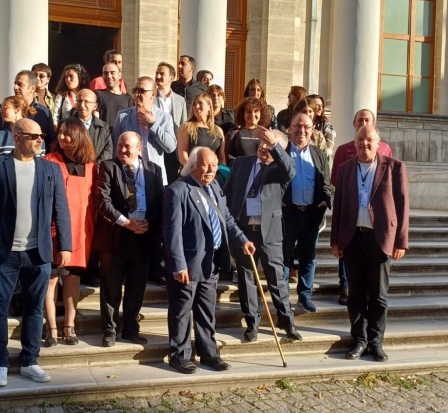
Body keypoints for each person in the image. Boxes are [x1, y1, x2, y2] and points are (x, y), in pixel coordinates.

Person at [0, 118, 72, 387]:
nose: (40, 140)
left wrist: (64, 246)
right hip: (3, 253)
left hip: (38, 252)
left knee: (34, 309)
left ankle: (30, 360)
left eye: (41, 136)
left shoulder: (50, 169)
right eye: (33, 136)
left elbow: (61, 211)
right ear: (16, 137)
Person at [163, 147, 255, 374]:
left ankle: (209, 353)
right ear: (193, 165)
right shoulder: (178, 190)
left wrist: (242, 240)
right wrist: (178, 264)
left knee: (206, 310)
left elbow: (226, 218)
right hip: (188, 262)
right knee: (182, 310)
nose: (211, 170)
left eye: (214, 165)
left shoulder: (215, 187)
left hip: (211, 261)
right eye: (206, 165)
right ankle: (180, 355)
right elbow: (171, 232)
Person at [331, 125, 409, 362]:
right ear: (354, 143)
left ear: (378, 142)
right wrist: (336, 240)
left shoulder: (394, 167)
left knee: (378, 295)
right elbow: (340, 206)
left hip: (380, 239)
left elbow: (403, 204)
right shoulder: (345, 169)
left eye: (369, 140)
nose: (364, 144)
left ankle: (376, 341)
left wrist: (401, 241)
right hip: (353, 238)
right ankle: (359, 340)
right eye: (359, 139)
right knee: (355, 294)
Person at [223, 134, 302, 343]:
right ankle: (251, 321)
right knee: (246, 277)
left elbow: (291, 170)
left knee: (277, 279)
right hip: (244, 231)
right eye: (263, 142)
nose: (264, 147)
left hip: (270, 232)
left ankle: (286, 321)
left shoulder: (281, 170)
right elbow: (227, 193)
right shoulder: (241, 163)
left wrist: (276, 146)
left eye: (270, 144)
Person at [94, 131, 164, 347]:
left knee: (136, 287)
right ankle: (110, 330)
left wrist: (149, 224)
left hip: (143, 238)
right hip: (116, 237)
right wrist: (126, 222)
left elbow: (160, 203)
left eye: (127, 146)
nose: (122, 150)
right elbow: (102, 201)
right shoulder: (107, 167)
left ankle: (131, 328)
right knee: (111, 287)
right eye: (120, 145)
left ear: (139, 148)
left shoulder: (154, 170)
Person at [42, 118, 97, 346]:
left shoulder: (91, 165)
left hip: (81, 232)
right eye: (61, 133)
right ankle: (51, 327)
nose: (62, 138)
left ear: (79, 136)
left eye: (68, 133)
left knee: (73, 278)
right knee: (52, 279)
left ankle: (69, 327)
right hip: (55, 230)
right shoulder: (50, 161)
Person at [331, 109, 393, 305]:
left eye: (367, 120)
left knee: (377, 292)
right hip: (352, 217)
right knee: (349, 264)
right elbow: (336, 178)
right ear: (354, 123)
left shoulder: (386, 150)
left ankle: (374, 334)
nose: (363, 122)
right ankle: (345, 286)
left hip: (377, 227)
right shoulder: (343, 150)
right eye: (360, 119)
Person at [282, 113, 332, 313]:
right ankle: (283, 297)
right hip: (288, 214)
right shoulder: (282, 153)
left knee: (308, 256)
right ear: (290, 128)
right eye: (297, 126)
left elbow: (327, 183)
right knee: (284, 257)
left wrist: (325, 199)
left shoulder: (319, 155)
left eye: (306, 127)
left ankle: (305, 295)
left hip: (311, 213)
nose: (301, 130)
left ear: (312, 131)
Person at [112, 76, 177, 185]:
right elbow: (115, 146)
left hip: (154, 176)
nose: (137, 94)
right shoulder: (123, 116)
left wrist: (153, 124)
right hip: (128, 174)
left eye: (141, 91)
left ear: (153, 94)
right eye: (135, 90)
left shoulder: (165, 117)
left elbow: (170, 147)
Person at [154, 62, 189, 185]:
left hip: (173, 150)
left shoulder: (180, 100)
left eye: (162, 74)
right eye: (157, 73)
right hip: (155, 148)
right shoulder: (150, 98)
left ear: (171, 78)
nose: (158, 76)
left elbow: (183, 125)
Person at [177, 93, 226, 166]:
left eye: (200, 103)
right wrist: (196, 171)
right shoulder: (186, 128)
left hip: (215, 174)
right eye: (194, 104)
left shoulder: (218, 130)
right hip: (193, 173)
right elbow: (183, 157)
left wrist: (222, 175)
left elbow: (222, 158)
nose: (196, 106)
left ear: (209, 107)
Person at [75, 89, 113, 162]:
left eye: (86, 101)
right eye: (79, 101)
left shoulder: (103, 127)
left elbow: (107, 151)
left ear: (95, 106)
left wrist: (96, 168)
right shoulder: (66, 125)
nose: (82, 105)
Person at [94, 63, 134, 129]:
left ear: (119, 75)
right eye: (106, 73)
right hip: (104, 137)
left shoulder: (129, 99)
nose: (109, 76)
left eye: (112, 73)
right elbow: (95, 121)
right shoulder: (98, 94)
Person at [309, 94, 336, 161]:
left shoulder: (325, 125)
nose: (320, 108)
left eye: (322, 106)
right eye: (317, 105)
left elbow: (329, 150)